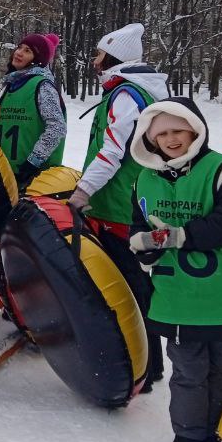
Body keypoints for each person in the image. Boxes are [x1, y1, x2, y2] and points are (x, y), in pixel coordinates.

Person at [127, 98, 222, 442]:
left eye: (178, 131)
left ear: (195, 130)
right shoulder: (144, 177)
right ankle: (188, 433)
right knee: (188, 368)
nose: (171, 139)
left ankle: (216, 429)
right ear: (150, 138)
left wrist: (176, 236)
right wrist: (145, 250)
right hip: (178, 293)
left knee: (220, 364)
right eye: (162, 133)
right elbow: (141, 225)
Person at [68, 22, 168, 389]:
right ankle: (148, 361)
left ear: (112, 58)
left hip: (120, 206)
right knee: (135, 285)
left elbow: (112, 152)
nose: (94, 61)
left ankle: (147, 364)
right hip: (126, 202)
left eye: (98, 54)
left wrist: (83, 192)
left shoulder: (126, 96)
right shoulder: (136, 92)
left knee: (131, 287)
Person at [0, 33, 66, 191]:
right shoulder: (9, 86)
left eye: (27, 50)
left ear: (38, 59)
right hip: (5, 171)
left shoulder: (42, 86)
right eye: (19, 47)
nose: (19, 52)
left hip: (34, 176)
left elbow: (56, 128)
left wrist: (33, 162)